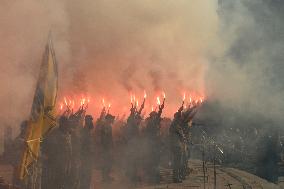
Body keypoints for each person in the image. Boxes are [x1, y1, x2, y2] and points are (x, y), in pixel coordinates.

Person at [41, 116, 72, 189]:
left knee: (61, 183)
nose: (67, 125)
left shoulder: (67, 134)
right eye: (65, 123)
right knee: (53, 184)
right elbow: (47, 148)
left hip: (63, 164)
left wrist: (68, 163)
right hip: (54, 165)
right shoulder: (54, 133)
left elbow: (69, 150)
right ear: (61, 123)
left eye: (67, 124)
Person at [144, 102, 164, 184]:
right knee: (153, 162)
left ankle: (155, 177)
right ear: (153, 117)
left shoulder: (152, 123)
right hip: (152, 146)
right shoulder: (151, 123)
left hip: (154, 145)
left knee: (155, 162)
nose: (157, 117)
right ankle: (153, 178)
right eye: (155, 116)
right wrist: (160, 110)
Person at [169, 107, 185, 183]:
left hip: (177, 145)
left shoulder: (177, 124)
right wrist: (179, 110)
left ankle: (177, 176)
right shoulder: (174, 123)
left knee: (178, 162)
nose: (181, 118)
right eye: (180, 117)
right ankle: (175, 177)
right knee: (177, 162)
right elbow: (176, 118)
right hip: (176, 146)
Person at [79, 115, 94, 189]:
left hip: (88, 155)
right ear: (87, 121)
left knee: (88, 173)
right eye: (90, 120)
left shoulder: (88, 131)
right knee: (85, 173)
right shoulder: (85, 131)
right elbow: (83, 144)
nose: (91, 122)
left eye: (91, 120)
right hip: (85, 155)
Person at [100, 113, 115, 182]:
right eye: (111, 118)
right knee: (106, 162)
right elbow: (105, 138)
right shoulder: (106, 126)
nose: (113, 120)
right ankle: (105, 177)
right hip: (106, 147)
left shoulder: (108, 126)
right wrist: (108, 147)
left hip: (107, 147)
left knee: (108, 162)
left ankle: (106, 176)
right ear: (108, 119)